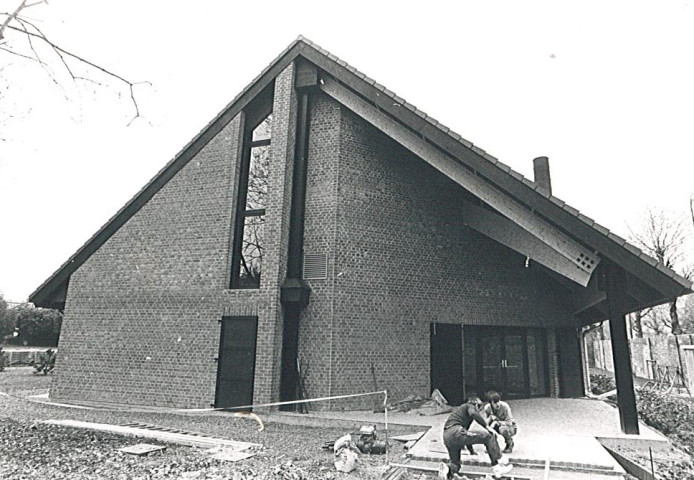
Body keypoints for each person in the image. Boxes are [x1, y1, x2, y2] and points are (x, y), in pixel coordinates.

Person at [438, 396, 513, 479]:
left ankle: (447, 468)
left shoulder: (460, 413)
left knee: (455, 464)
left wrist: (471, 451)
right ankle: (497, 467)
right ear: (476, 404)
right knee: (489, 436)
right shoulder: (469, 406)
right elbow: (473, 413)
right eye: (479, 408)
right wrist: (487, 427)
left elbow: (466, 434)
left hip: (447, 436)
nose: (479, 411)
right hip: (456, 432)